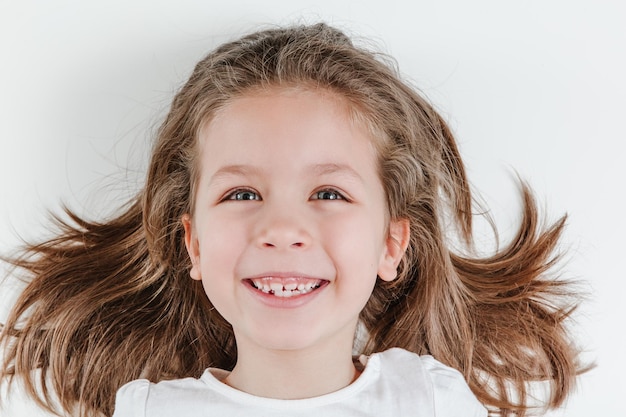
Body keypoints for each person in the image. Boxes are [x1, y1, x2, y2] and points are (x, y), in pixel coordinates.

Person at [0, 23, 583, 417]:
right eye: (242, 194)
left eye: (328, 193)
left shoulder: (430, 400)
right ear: (193, 245)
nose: (281, 228)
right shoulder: (152, 411)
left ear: (391, 244)